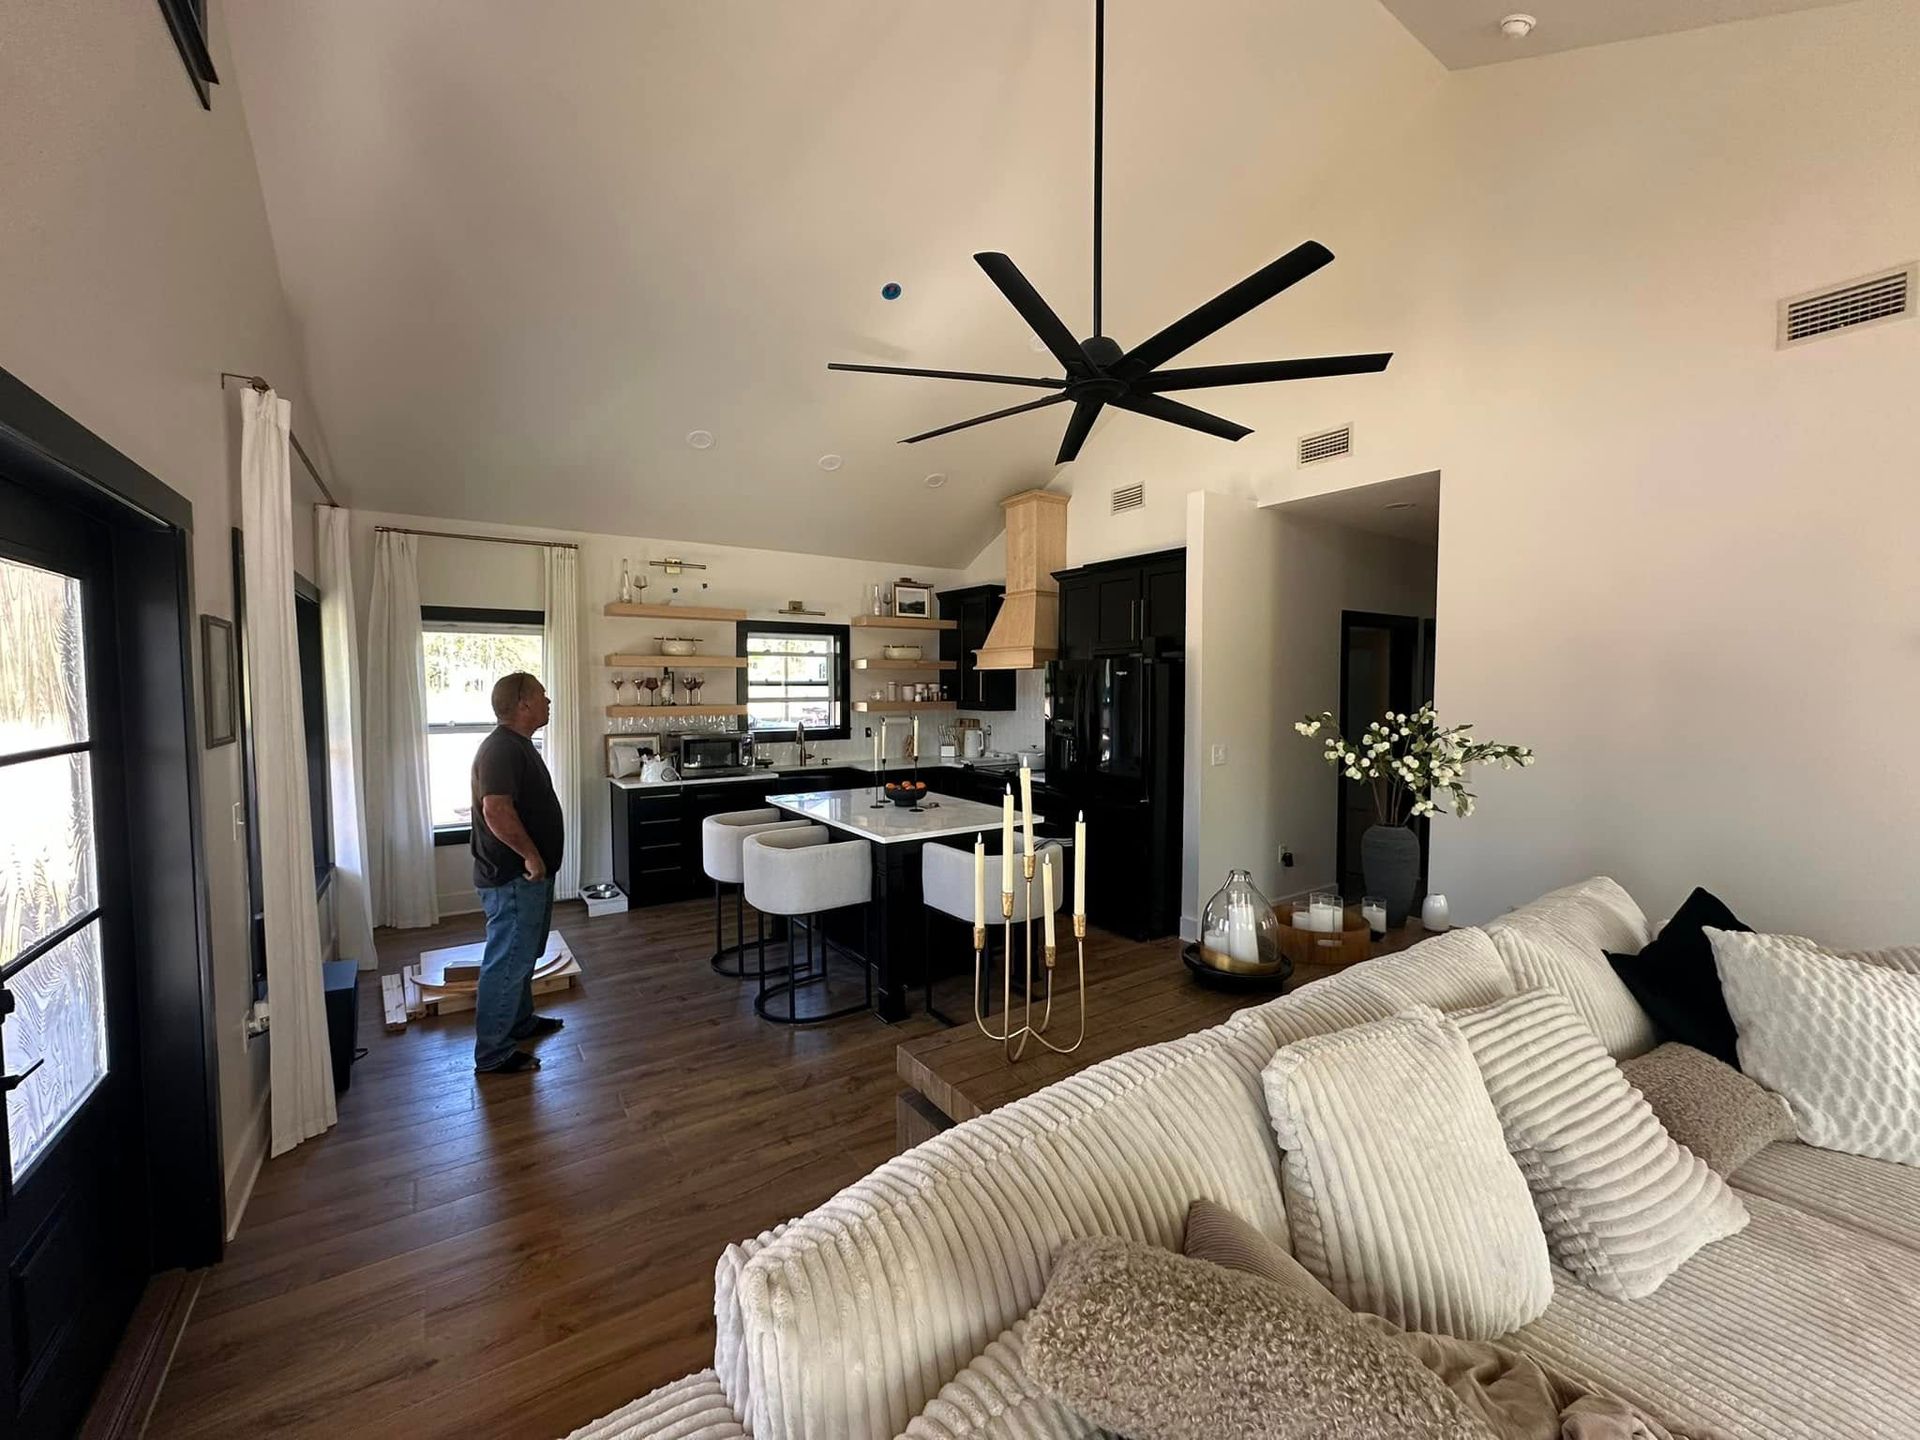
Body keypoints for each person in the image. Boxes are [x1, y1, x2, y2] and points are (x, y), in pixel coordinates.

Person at [470, 671, 566, 1074]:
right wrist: (530, 856)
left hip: (526, 875)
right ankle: (493, 1052)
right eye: (543, 696)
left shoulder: (518, 745)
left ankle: (521, 1021)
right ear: (523, 704)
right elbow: (496, 809)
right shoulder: (501, 750)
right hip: (513, 876)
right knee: (508, 959)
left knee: (525, 952)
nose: (549, 701)